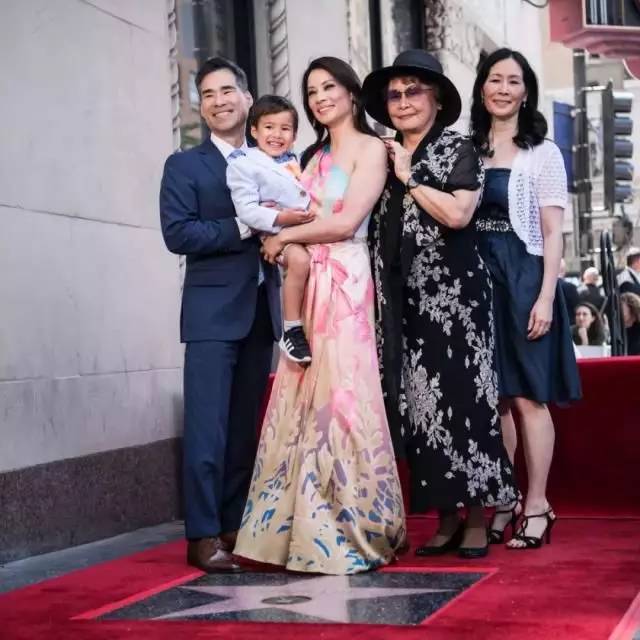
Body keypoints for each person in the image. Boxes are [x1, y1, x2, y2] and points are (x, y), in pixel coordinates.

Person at [233, 57, 406, 574]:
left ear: (351, 92)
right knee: (301, 401)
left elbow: (346, 222)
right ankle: (292, 532)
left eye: (329, 86)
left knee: (344, 399)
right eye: (311, 91)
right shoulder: (310, 155)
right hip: (307, 282)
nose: (321, 97)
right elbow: (295, 211)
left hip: (347, 282)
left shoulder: (371, 148)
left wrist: (284, 236)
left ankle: (352, 526)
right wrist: (279, 234)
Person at [363, 49, 517, 560]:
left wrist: (410, 176)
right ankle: (445, 517)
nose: (403, 101)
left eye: (414, 91)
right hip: (401, 302)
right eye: (395, 94)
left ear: (435, 99)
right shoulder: (379, 154)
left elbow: (458, 214)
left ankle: (475, 516)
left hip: (456, 301)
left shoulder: (458, 148)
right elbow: (343, 201)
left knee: (464, 401)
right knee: (420, 407)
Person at [159, 57, 282, 573]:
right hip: (211, 315)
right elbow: (178, 233)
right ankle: (203, 535)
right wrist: (244, 226)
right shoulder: (184, 166)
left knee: (241, 431)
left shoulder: (271, 160)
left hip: (261, 313)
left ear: (247, 98)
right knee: (207, 429)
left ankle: (233, 525)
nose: (218, 101)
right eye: (207, 94)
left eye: (227, 91)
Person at [470, 48, 581, 549]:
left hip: (523, 277)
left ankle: (537, 504)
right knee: (492, 398)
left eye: (513, 81)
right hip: (477, 280)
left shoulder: (543, 153)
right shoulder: (468, 148)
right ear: (482, 88)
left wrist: (545, 296)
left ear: (526, 91)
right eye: (495, 79)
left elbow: (554, 233)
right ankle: (504, 497)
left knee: (526, 397)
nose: (503, 89)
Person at [226, 95, 315, 364]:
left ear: (294, 135)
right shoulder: (243, 163)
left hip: (310, 228)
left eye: (285, 128)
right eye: (269, 127)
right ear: (254, 131)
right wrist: (281, 217)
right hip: (276, 232)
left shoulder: (299, 161)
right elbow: (247, 210)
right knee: (299, 261)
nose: (277, 135)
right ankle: (292, 329)